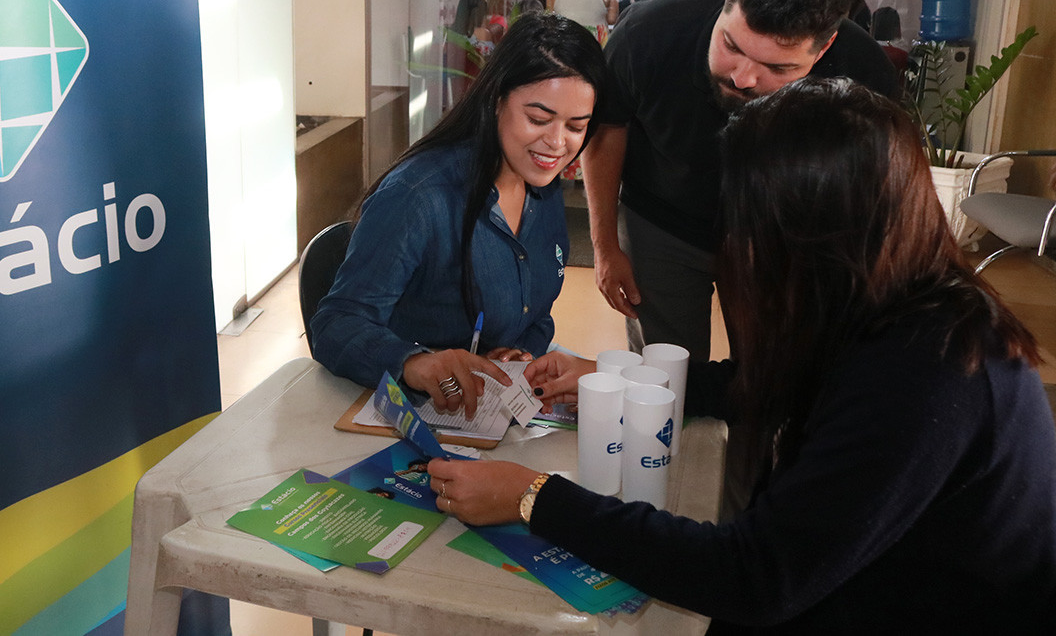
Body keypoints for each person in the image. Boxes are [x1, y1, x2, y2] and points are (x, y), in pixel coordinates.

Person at [428, 79, 1056, 632]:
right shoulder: (894, 300)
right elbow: (766, 385)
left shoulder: (930, 367)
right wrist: (617, 377)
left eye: (748, 221)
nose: (733, 240)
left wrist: (535, 496)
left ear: (814, 233)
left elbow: (755, 577)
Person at [583, 0, 899, 363]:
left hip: (783, 234)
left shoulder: (862, 73)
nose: (744, 78)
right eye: (731, 45)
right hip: (661, 223)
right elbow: (606, 131)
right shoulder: (649, 32)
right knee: (664, 376)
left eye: (777, 67)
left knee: (771, 374)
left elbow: (874, 187)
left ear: (824, 48)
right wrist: (604, 245)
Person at [311, 12, 606, 419]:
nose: (557, 143)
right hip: (403, 413)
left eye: (576, 126)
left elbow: (537, 316)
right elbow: (335, 324)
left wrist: (521, 351)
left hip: (491, 411)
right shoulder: (420, 196)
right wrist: (413, 362)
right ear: (496, 99)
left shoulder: (544, 188)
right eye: (538, 119)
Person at [444, 0, 495, 104]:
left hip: (446, 90)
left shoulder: (446, 35)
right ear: (478, 16)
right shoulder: (479, 38)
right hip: (473, 92)